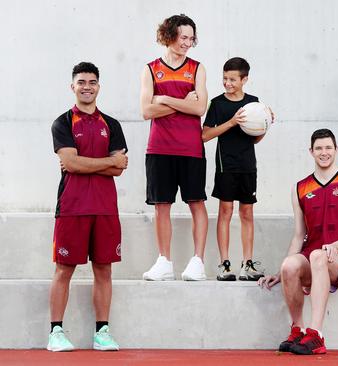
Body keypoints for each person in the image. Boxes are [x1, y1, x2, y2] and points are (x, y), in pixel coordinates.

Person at [258, 129, 338, 355]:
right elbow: (299, 235)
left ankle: (316, 334)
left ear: (336, 150)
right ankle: (297, 329)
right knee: (289, 265)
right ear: (311, 151)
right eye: (319, 148)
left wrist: (335, 246)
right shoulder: (300, 188)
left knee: (318, 255)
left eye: (328, 147)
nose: (324, 152)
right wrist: (280, 273)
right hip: (314, 257)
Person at [48, 62, 128, 352]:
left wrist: (87, 164)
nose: (87, 86)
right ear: (73, 86)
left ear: (98, 86)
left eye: (92, 82)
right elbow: (71, 162)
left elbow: (120, 170)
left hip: (106, 208)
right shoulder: (63, 122)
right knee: (64, 269)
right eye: (81, 81)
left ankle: (102, 332)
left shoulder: (113, 124)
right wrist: (107, 163)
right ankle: (55, 332)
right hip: (72, 206)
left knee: (104, 269)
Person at [140, 14, 209, 281]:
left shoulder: (197, 68)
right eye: (183, 37)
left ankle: (198, 261)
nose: (188, 43)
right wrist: (183, 102)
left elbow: (199, 107)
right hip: (159, 148)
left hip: (191, 148)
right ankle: (164, 261)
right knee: (161, 205)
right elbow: (146, 110)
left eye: (191, 38)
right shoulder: (150, 69)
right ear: (169, 35)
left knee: (197, 203)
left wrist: (165, 98)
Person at [202, 57, 272, 281]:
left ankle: (247, 264)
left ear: (245, 79)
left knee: (247, 213)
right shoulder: (217, 103)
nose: (227, 83)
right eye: (224, 78)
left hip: (247, 165)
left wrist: (266, 125)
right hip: (226, 165)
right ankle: (224, 264)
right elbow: (204, 135)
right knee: (225, 211)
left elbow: (254, 139)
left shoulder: (253, 102)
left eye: (232, 79)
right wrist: (231, 122)